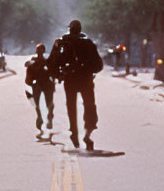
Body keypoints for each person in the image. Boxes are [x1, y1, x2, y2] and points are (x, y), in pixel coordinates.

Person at [48, 20, 104, 150]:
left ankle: (74, 132)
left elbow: (52, 62)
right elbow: (99, 65)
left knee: (71, 107)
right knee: (90, 106)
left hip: (70, 79)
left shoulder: (63, 42)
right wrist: (89, 70)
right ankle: (88, 134)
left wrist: (58, 75)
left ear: (70, 29)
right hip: (85, 79)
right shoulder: (88, 43)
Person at [25, 43, 54, 133]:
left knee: (47, 103)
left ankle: (47, 116)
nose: (40, 52)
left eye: (41, 50)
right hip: (38, 84)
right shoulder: (34, 61)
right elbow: (28, 70)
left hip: (45, 84)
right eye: (39, 50)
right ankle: (41, 117)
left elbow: (52, 71)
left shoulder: (47, 61)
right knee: (38, 103)